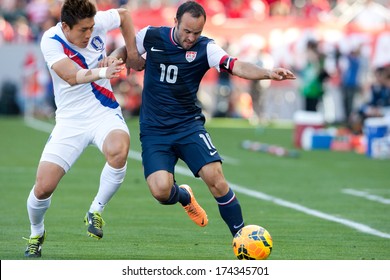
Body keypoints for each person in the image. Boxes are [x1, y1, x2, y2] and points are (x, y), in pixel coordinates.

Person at [110, 0, 295, 237]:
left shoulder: (206, 48)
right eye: (187, 31)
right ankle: (184, 195)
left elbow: (236, 66)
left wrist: (267, 72)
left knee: (215, 178)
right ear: (175, 22)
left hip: (188, 126)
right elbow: (126, 51)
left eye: (196, 32)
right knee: (161, 191)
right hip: (155, 131)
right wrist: (114, 58)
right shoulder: (152, 36)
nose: (191, 37)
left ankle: (241, 238)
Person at [23, 0, 143, 258]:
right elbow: (70, 76)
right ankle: (36, 232)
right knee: (43, 187)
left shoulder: (95, 22)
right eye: (83, 30)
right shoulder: (51, 40)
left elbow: (124, 15)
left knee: (119, 150)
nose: (89, 34)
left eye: (92, 28)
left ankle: (96, 210)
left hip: (103, 111)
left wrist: (131, 52)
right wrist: (103, 71)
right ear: (65, 26)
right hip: (70, 121)